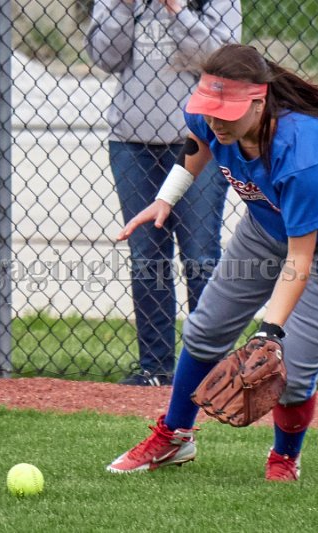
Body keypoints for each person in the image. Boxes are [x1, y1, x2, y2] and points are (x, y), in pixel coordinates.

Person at [106, 44, 318, 481]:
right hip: (264, 229)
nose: (217, 120)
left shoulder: (301, 151)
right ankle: (175, 436)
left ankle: (284, 459)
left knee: (291, 368)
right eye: (210, 109)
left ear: (259, 102)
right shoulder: (212, 119)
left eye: (228, 112)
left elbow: (300, 257)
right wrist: (167, 197)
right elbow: (198, 142)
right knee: (205, 331)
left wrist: (269, 332)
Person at [85, 0, 242, 386]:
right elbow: (105, 56)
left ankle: (209, 370)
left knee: (200, 254)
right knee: (146, 256)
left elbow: (221, 63)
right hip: (132, 141)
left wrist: (178, 10)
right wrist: (124, 7)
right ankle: (155, 367)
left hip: (199, 140)